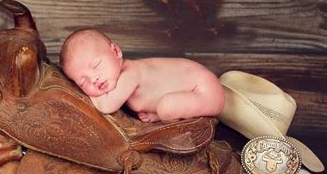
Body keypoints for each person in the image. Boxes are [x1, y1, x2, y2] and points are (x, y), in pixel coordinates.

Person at [59, 28, 225, 122]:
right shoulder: (119, 75)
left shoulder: (131, 73)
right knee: (165, 105)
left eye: (96, 65)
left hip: (205, 89)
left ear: (116, 51)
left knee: (167, 107)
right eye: (83, 82)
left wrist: (88, 95)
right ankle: (161, 115)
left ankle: (167, 116)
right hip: (197, 88)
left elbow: (106, 106)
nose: (94, 79)